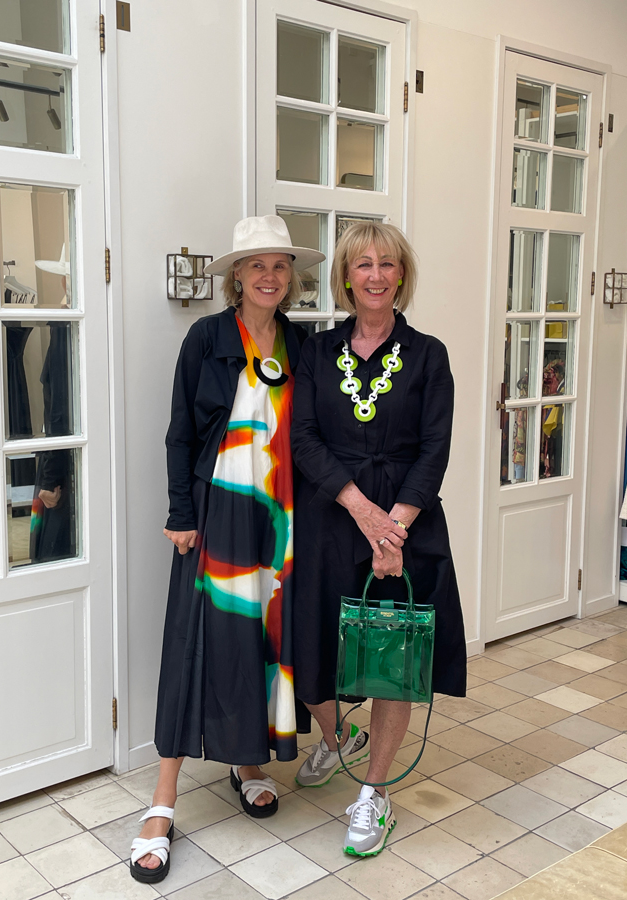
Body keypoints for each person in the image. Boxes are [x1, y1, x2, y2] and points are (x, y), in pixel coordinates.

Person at [130, 216, 324, 884]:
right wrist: (180, 512)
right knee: (195, 644)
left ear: (290, 279)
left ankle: (249, 762)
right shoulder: (206, 339)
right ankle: (161, 801)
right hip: (215, 512)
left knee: (266, 641)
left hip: (280, 517)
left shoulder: (302, 345)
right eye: (256, 266)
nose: (269, 277)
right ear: (235, 277)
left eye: (280, 266)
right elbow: (179, 432)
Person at [291, 221, 467, 858]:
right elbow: (304, 440)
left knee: (394, 661)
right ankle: (338, 736)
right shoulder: (314, 351)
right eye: (361, 264)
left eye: (386, 263)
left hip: (408, 523)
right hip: (331, 514)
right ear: (345, 276)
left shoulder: (429, 355)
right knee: (305, 641)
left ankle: (373, 793)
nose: (374, 274)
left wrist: (394, 527)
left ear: (401, 275)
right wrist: (364, 512)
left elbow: (434, 448)